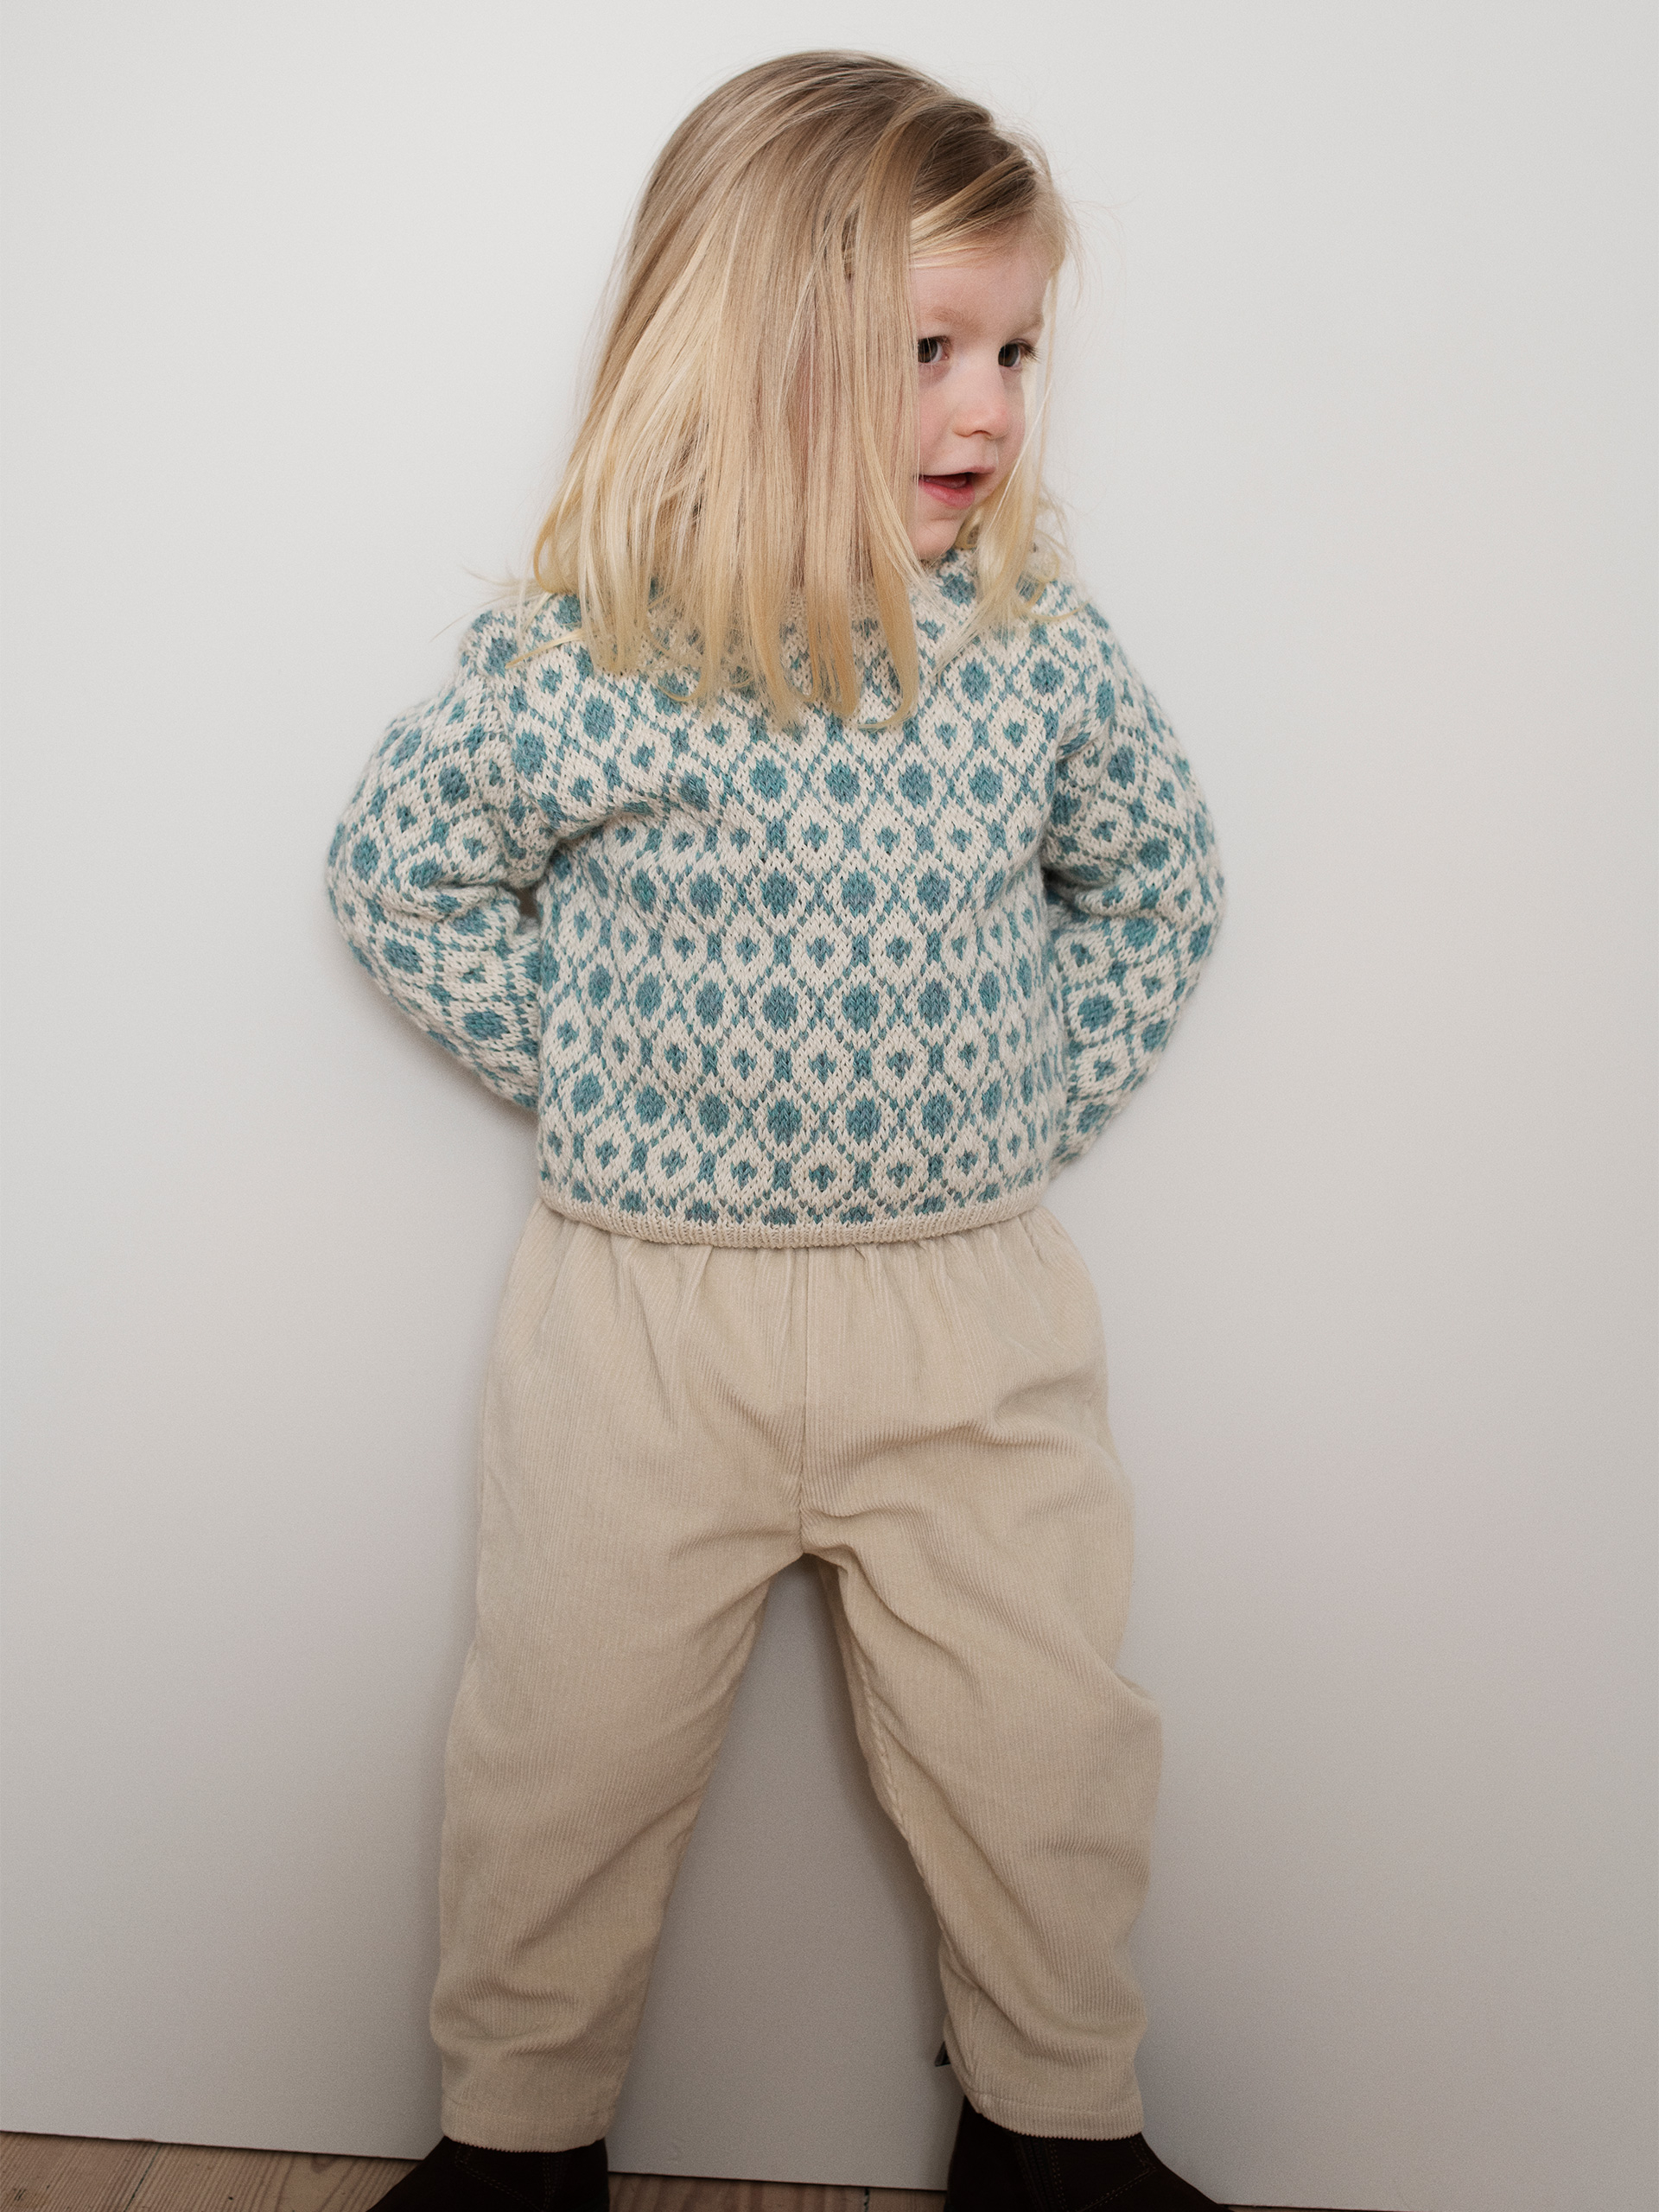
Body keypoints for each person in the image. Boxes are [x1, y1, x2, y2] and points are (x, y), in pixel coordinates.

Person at [327, 51, 1226, 2212]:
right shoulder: (595, 648)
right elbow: (399, 871)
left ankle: (1061, 2136)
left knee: (1047, 1748)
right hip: (644, 1321)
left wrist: (1026, 1092)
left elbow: (1161, 884)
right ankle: (514, 2144)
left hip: (967, 1314)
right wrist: (602, 1071)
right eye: (931, 350)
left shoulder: (1031, 644)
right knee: (562, 1754)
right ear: (758, 347)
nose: (989, 407)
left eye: (1015, 351)